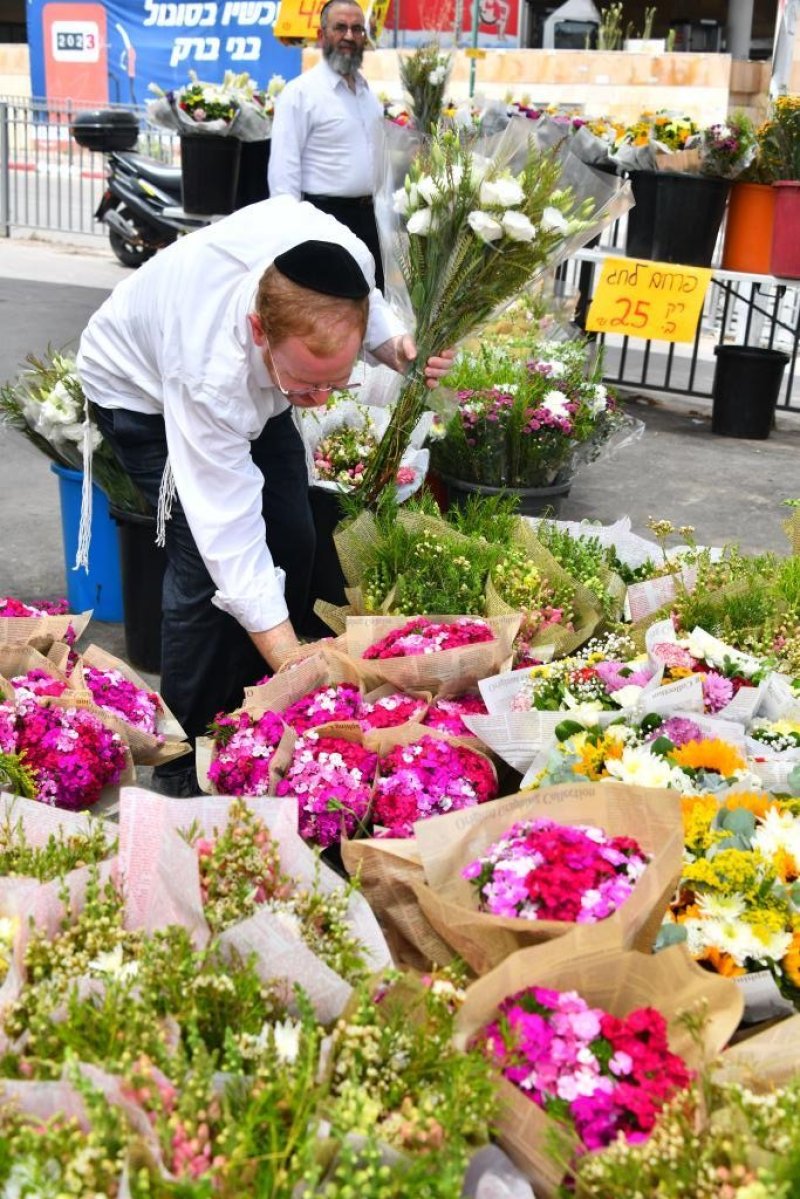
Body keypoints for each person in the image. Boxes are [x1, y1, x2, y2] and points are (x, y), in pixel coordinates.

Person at [76, 195, 452, 796]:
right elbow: (228, 532)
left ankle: (255, 712)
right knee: (204, 569)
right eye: (310, 382)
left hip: (259, 375)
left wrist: (394, 349)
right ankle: (185, 756)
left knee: (294, 530)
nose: (324, 401)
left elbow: (361, 307)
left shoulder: (343, 255)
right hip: (139, 391)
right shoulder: (210, 373)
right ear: (259, 329)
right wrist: (289, 658)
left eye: (338, 381)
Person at [268, 0, 385, 290]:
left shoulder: (368, 95)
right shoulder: (300, 94)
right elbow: (284, 174)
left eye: (357, 29)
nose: (349, 36)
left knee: (371, 308)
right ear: (322, 36)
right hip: (324, 221)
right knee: (332, 313)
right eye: (340, 27)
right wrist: (292, 237)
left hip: (370, 222)